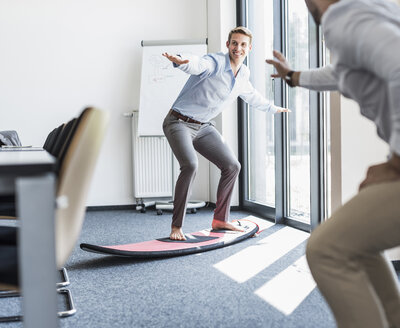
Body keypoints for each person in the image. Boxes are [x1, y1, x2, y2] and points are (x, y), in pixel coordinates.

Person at [266, 0, 400, 327]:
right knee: (357, 244)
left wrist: (396, 163)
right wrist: (293, 77)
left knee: (327, 249)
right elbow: (343, 74)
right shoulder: (366, 10)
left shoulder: (342, 16)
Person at [162, 26, 289, 241]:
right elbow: (199, 63)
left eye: (242, 44)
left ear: (249, 48)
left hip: (203, 126)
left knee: (232, 166)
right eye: (234, 43)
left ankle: (220, 219)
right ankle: (176, 226)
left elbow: (251, 95)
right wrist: (182, 61)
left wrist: (273, 108)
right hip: (178, 122)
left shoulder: (244, 73)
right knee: (190, 165)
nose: (237, 48)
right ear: (228, 44)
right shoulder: (217, 62)